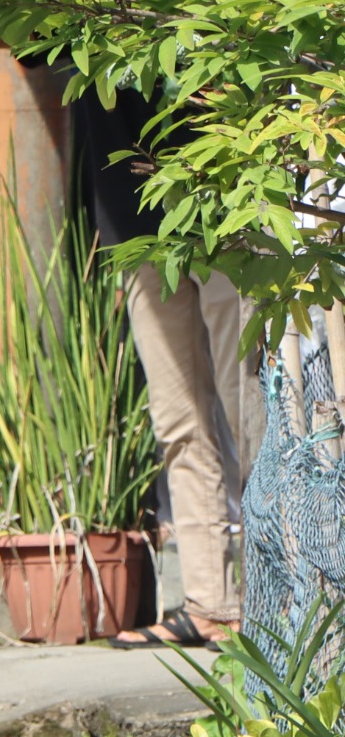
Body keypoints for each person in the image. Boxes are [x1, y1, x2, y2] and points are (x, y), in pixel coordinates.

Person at [86, 83, 264, 651]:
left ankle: (276, 602)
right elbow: (20, 42)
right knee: (178, 421)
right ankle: (210, 603)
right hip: (137, 221)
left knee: (251, 412)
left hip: (229, 209)